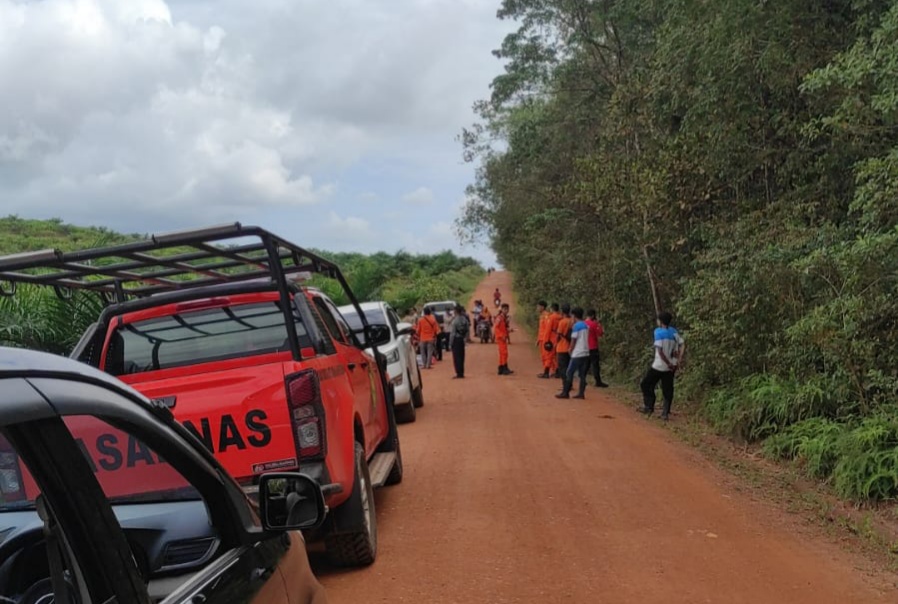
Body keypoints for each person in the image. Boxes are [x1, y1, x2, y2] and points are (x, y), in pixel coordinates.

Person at [639, 311, 685, 420]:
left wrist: (667, 363)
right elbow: (682, 344)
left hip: (659, 365)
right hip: (671, 367)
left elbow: (659, 351)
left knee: (646, 384)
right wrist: (679, 359)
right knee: (668, 388)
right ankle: (665, 412)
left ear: (661, 321)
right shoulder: (674, 332)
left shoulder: (658, 332)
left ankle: (649, 406)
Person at [556, 308, 590, 399]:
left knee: (569, 372)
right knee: (582, 374)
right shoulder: (585, 325)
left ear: (574, 315)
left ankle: (565, 392)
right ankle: (581, 393)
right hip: (586, 352)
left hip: (578, 353)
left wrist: (570, 348)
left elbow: (573, 339)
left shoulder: (576, 326)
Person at [586, 309, 609, 387]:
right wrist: (599, 324)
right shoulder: (594, 324)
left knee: (585, 364)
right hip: (593, 346)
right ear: (593, 316)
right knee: (595, 365)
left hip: (585, 347)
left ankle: (582, 379)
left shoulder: (583, 323)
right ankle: (598, 381)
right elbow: (600, 333)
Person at [449, 304, 470, 378]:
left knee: (456, 357)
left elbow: (453, 333)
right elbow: (467, 329)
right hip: (462, 340)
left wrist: (450, 343)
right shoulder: (465, 319)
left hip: (456, 340)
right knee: (462, 356)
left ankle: (459, 373)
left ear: (456, 311)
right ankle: (462, 372)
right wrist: (465, 338)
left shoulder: (455, 321)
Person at [554, 304, 573, 379]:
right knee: (569, 366)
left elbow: (558, 334)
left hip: (562, 347)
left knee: (562, 367)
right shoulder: (572, 321)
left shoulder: (562, 322)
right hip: (571, 347)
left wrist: (555, 344)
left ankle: (566, 384)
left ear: (562, 311)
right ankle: (569, 384)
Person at [494, 303, 514, 375]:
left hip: (503, 337)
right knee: (504, 353)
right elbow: (496, 328)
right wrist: (501, 335)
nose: (506, 310)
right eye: (504, 309)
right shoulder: (499, 318)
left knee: (502, 353)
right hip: (500, 338)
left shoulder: (504, 318)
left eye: (507, 309)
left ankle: (501, 368)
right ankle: (504, 368)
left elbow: (504, 328)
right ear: (502, 310)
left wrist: (509, 330)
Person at [536, 301, 553, 378]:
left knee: (547, 356)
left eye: (539, 306)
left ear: (542, 307)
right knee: (543, 356)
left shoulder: (547, 316)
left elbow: (547, 329)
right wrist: (538, 339)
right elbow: (541, 329)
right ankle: (545, 371)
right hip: (542, 339)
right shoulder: (542, 316)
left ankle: (546, 372)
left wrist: (547, 340)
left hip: (545, 339)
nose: (537, 308)